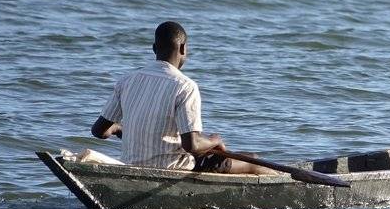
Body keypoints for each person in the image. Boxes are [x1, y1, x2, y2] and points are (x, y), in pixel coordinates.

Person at [90, 21, 274, 174]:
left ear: (154, 48)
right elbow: (192, 145)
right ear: (183, 49)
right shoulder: (185, 86)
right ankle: (287, 185)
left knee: (236, 158)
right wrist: (214, 140)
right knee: (253, 161)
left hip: (132, 166)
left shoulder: (127, 81)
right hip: (174, 168)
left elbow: (99, 130)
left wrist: (119, 129)